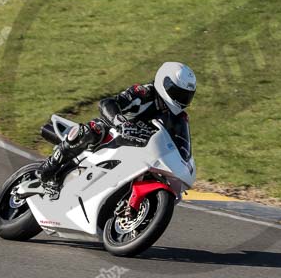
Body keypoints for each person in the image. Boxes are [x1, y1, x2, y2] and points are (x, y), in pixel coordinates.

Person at [38, 62, 197, 198]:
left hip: (140, 150)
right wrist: (120, 122)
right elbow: (107, 103)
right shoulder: (145, 93)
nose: (181, 100)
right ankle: (49, 169)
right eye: (178, 93)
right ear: (165, 83)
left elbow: (180, 144)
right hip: (113, 133)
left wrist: (185, 163)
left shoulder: (178, 118)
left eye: (186, 96)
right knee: (93, 130)